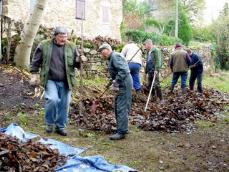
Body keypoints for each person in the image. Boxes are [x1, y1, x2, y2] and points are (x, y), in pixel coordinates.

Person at [30, 26, 81, 136]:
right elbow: (36, 60)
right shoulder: (44, 45)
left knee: (65, 104)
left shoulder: (72, 46)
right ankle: (49, 123)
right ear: (55, 36)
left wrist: (80, 60)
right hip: (50, 79)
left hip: (66, 80)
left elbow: (77, 65)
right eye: (61, 37)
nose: (63, 39)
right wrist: (34, 73)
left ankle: (60, 126)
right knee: (52, 100)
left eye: (65, 36)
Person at [98, 43, 132, 140]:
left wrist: (116, 81)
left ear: (108, 49)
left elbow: (124, 70)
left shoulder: (115, 56)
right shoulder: (112, 57)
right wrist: (111, 82)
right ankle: (122, 128)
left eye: (102, 51)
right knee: (119, 104)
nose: (101, 54)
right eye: (100, 53)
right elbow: (117, 72)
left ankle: (121, 132)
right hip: (123, 82)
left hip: (124, 83)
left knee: (121, 106)